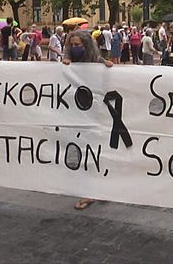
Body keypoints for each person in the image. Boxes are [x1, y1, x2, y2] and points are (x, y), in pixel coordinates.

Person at [62, 30, 112, 210]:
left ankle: (96, 188)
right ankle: (90, 190)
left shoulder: (95, 62)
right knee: (84, 150)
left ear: (86, 46)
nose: (74, 48)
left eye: (78, 45)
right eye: (72, 45)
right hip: (76, 113)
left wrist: (106, 65)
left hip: (94, 112)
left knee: (96, 149)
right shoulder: (68, 63)